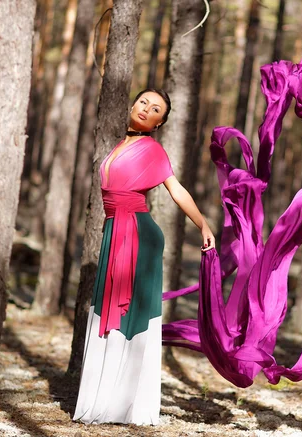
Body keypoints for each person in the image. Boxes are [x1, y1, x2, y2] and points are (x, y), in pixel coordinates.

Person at [73, 88, 215, 425]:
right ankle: (103, 398)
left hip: (139, 235)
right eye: (143, 103)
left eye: (155, 109)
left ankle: (129, 404)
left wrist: (203, 224)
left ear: (160, 122)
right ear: (133, 105)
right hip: (115, 231)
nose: (146, 109)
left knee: (133, 316)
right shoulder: (122, 144)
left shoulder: (152, 150)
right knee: (110, 310)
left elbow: (175, 188)